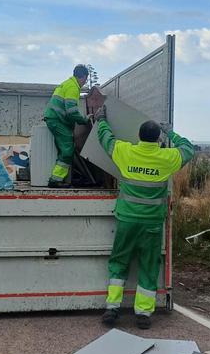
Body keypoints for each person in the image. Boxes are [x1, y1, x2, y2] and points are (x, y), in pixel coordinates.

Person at [94, 106, 195, 329]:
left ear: (138, 136)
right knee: (149, 266)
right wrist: (171, 133)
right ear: (157, 138)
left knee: (119, 262)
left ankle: (112, 308)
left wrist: (101, 119)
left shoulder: (125, 151)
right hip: (151, 223)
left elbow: (105, 138)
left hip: (127, 220)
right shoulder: (167, 157)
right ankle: (143, 314)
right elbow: (188, 148)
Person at [43, 64, 90, 188]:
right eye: (85, 80)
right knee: (67, 150)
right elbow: (72, 111)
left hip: (54, 119)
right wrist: (84, 120)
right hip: (57, 120)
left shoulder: (67, 83)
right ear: (84, 77)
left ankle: (59, 178)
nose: (84, 83)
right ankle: (55, 180)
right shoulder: (73, 88)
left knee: (64, 149)